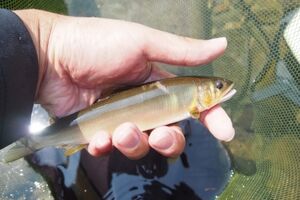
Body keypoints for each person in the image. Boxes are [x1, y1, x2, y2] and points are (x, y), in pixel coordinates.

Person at [0, 9, 234, 160]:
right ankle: (33, 142)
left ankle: (34, 142)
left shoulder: (190, 96)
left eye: (219, 86)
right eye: (219, 86)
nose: (224, 87)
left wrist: (45, 46)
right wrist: (44, 46)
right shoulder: (192, 102)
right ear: (201, 91)